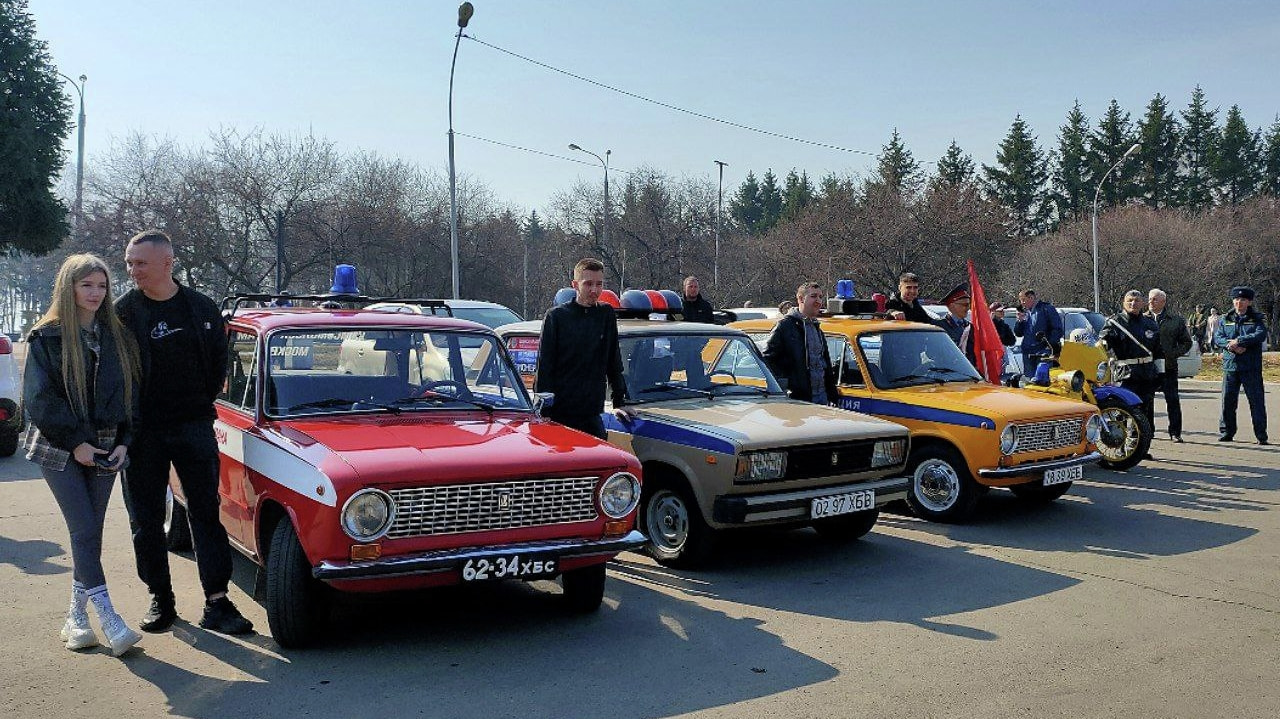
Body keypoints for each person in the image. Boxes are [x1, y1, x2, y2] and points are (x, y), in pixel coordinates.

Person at [116, 230, 253, 635]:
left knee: (205, 513)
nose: (132, 270)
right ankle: (161, 599)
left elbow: (217, 367)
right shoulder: (124, 313)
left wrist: (196, 406)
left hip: (193, 427)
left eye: (140, 263)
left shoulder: (201, 309)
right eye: (129, 263)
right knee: (146, 519)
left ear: (167, 263)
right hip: (142, 434)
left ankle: (217, 601)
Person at [23, 254, 144, 656]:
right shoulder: (47, 336)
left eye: (102, 285)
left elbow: (132, 394)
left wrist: (126, 439)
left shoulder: (118, 336)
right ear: (69, 287)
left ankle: (76, 617)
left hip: (108, 444)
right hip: (59, 447)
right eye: (86, 285)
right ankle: (110, 618)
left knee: (90, 532)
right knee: (84, 529)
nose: (95, 293)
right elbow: (40, 399)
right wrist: (76, 443)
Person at [535, 258, 634, 439]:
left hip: (592, 413)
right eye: (588, 284)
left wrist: (619, 401)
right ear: (575, 285)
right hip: (560, 414)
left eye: (599, 284)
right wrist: (545, 410)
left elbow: (614, 360)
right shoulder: (556, 317)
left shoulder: (606, 314)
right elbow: (545, 366)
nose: (594, 290)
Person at [1098, 290, 1162, 446]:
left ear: (1142, 303)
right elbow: (1103, 345)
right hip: (1125, 374)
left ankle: (1140, 446)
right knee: (1123, 412)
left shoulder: (1150, 323)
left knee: (1145, 412)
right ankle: (1119, 444)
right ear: (1124, 303)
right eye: (1130, 300)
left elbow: (1158, 351)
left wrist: (1160, 373)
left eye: (1136, 300)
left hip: (1147, 374)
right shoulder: (1115, 322)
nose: (1133, 304)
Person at [763, 282, 838, 404]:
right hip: (797, 400)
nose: (818, 301)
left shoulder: (816, 327)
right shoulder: (785, 326)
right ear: (801, 299)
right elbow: (767, 359)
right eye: (813, 296)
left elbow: (824, 363)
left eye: (820, 296)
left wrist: (833, 395)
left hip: (821, 397)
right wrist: (786, 383)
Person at [1213, 286, 1268, 444]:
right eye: (1236, 299)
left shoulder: (1256, 318)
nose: (1239, 302)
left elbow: (1260, 334)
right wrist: (1230, 345)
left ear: (1249, 302)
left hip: (1250, 367)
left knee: (1256, 402)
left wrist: (1241, 341)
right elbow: (1218, 337)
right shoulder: (1226, 318)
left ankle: (1261, 435)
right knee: (1228, 401)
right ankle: (1227, 432)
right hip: (1231, 365)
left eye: (1243, 300)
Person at [1147, 289, 1194, 442]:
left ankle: (1175, 432)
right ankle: (1148, 431)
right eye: (1149, 299)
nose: (1151, 302)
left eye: (1154, 299)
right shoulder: (1141, 319)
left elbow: (1187, 342)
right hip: (1147, 367)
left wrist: (1173, 353)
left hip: (1169, 366)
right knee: (1147, 401)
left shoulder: (1175, 320)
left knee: (1172, 400)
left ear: (1163, 302)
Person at [1013, 288, 1064, 371]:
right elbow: (1018, 333)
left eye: (1023, 300)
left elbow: (1057, 329)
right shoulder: (1025, 312)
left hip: (1043, 352)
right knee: (1029, 380)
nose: (1022, 303)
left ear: (1031, 298)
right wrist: (1019, 321)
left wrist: (1049, 345)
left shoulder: (1047, 309)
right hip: (1028, 353)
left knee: (1043, 379)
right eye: (1020, 301)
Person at [937, 284, 975, 364]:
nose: (968, 308)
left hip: (968, 372)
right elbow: (932, 353)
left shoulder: (970, 327)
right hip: (948, 371)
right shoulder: (940, 327)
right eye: (965, 305)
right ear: (952, 306)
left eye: (969, 304)